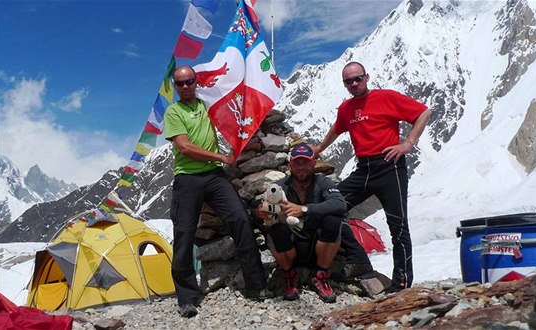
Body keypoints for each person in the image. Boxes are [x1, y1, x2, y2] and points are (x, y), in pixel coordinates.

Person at [313, 61, 432, 292]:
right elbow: (337, 129)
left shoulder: (387, 97)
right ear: (344, 84)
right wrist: (318, 149)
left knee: (398, 227)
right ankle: (357, 260)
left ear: (367, 77)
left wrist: (407, 143)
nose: (354, 84)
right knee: (330, 208)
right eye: (349, 81)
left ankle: (401, 284)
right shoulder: (346, 108)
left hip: (390, 166)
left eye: (358, 78)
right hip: (363, 170)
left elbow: (423, 112)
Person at [164, 65, 270, 318]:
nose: (186, 86)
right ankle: (187, 298)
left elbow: (232, 107)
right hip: (187, 177)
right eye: (181, 83)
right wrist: (221, 156)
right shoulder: (173, 111)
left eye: (190, 81)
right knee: (184, 233)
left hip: (214, 176)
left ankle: (256, 285)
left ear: (196, 82)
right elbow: (185, 147)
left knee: (240, 219)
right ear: (175, 87)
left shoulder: (206, 105)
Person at [255, 143, 345, 303]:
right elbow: (260, 211)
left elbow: (340, 204)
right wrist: (261, 212)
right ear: (290, 164)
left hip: (316, 244)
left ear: (313, 163)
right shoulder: (280, 187)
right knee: (276, 231)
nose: (301, 167)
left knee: (333, 221)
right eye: (297, 163)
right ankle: (289, 275)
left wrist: (303, 209)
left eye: (306, 162)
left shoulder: (322, 182)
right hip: (291, 245)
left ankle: (321, 275)